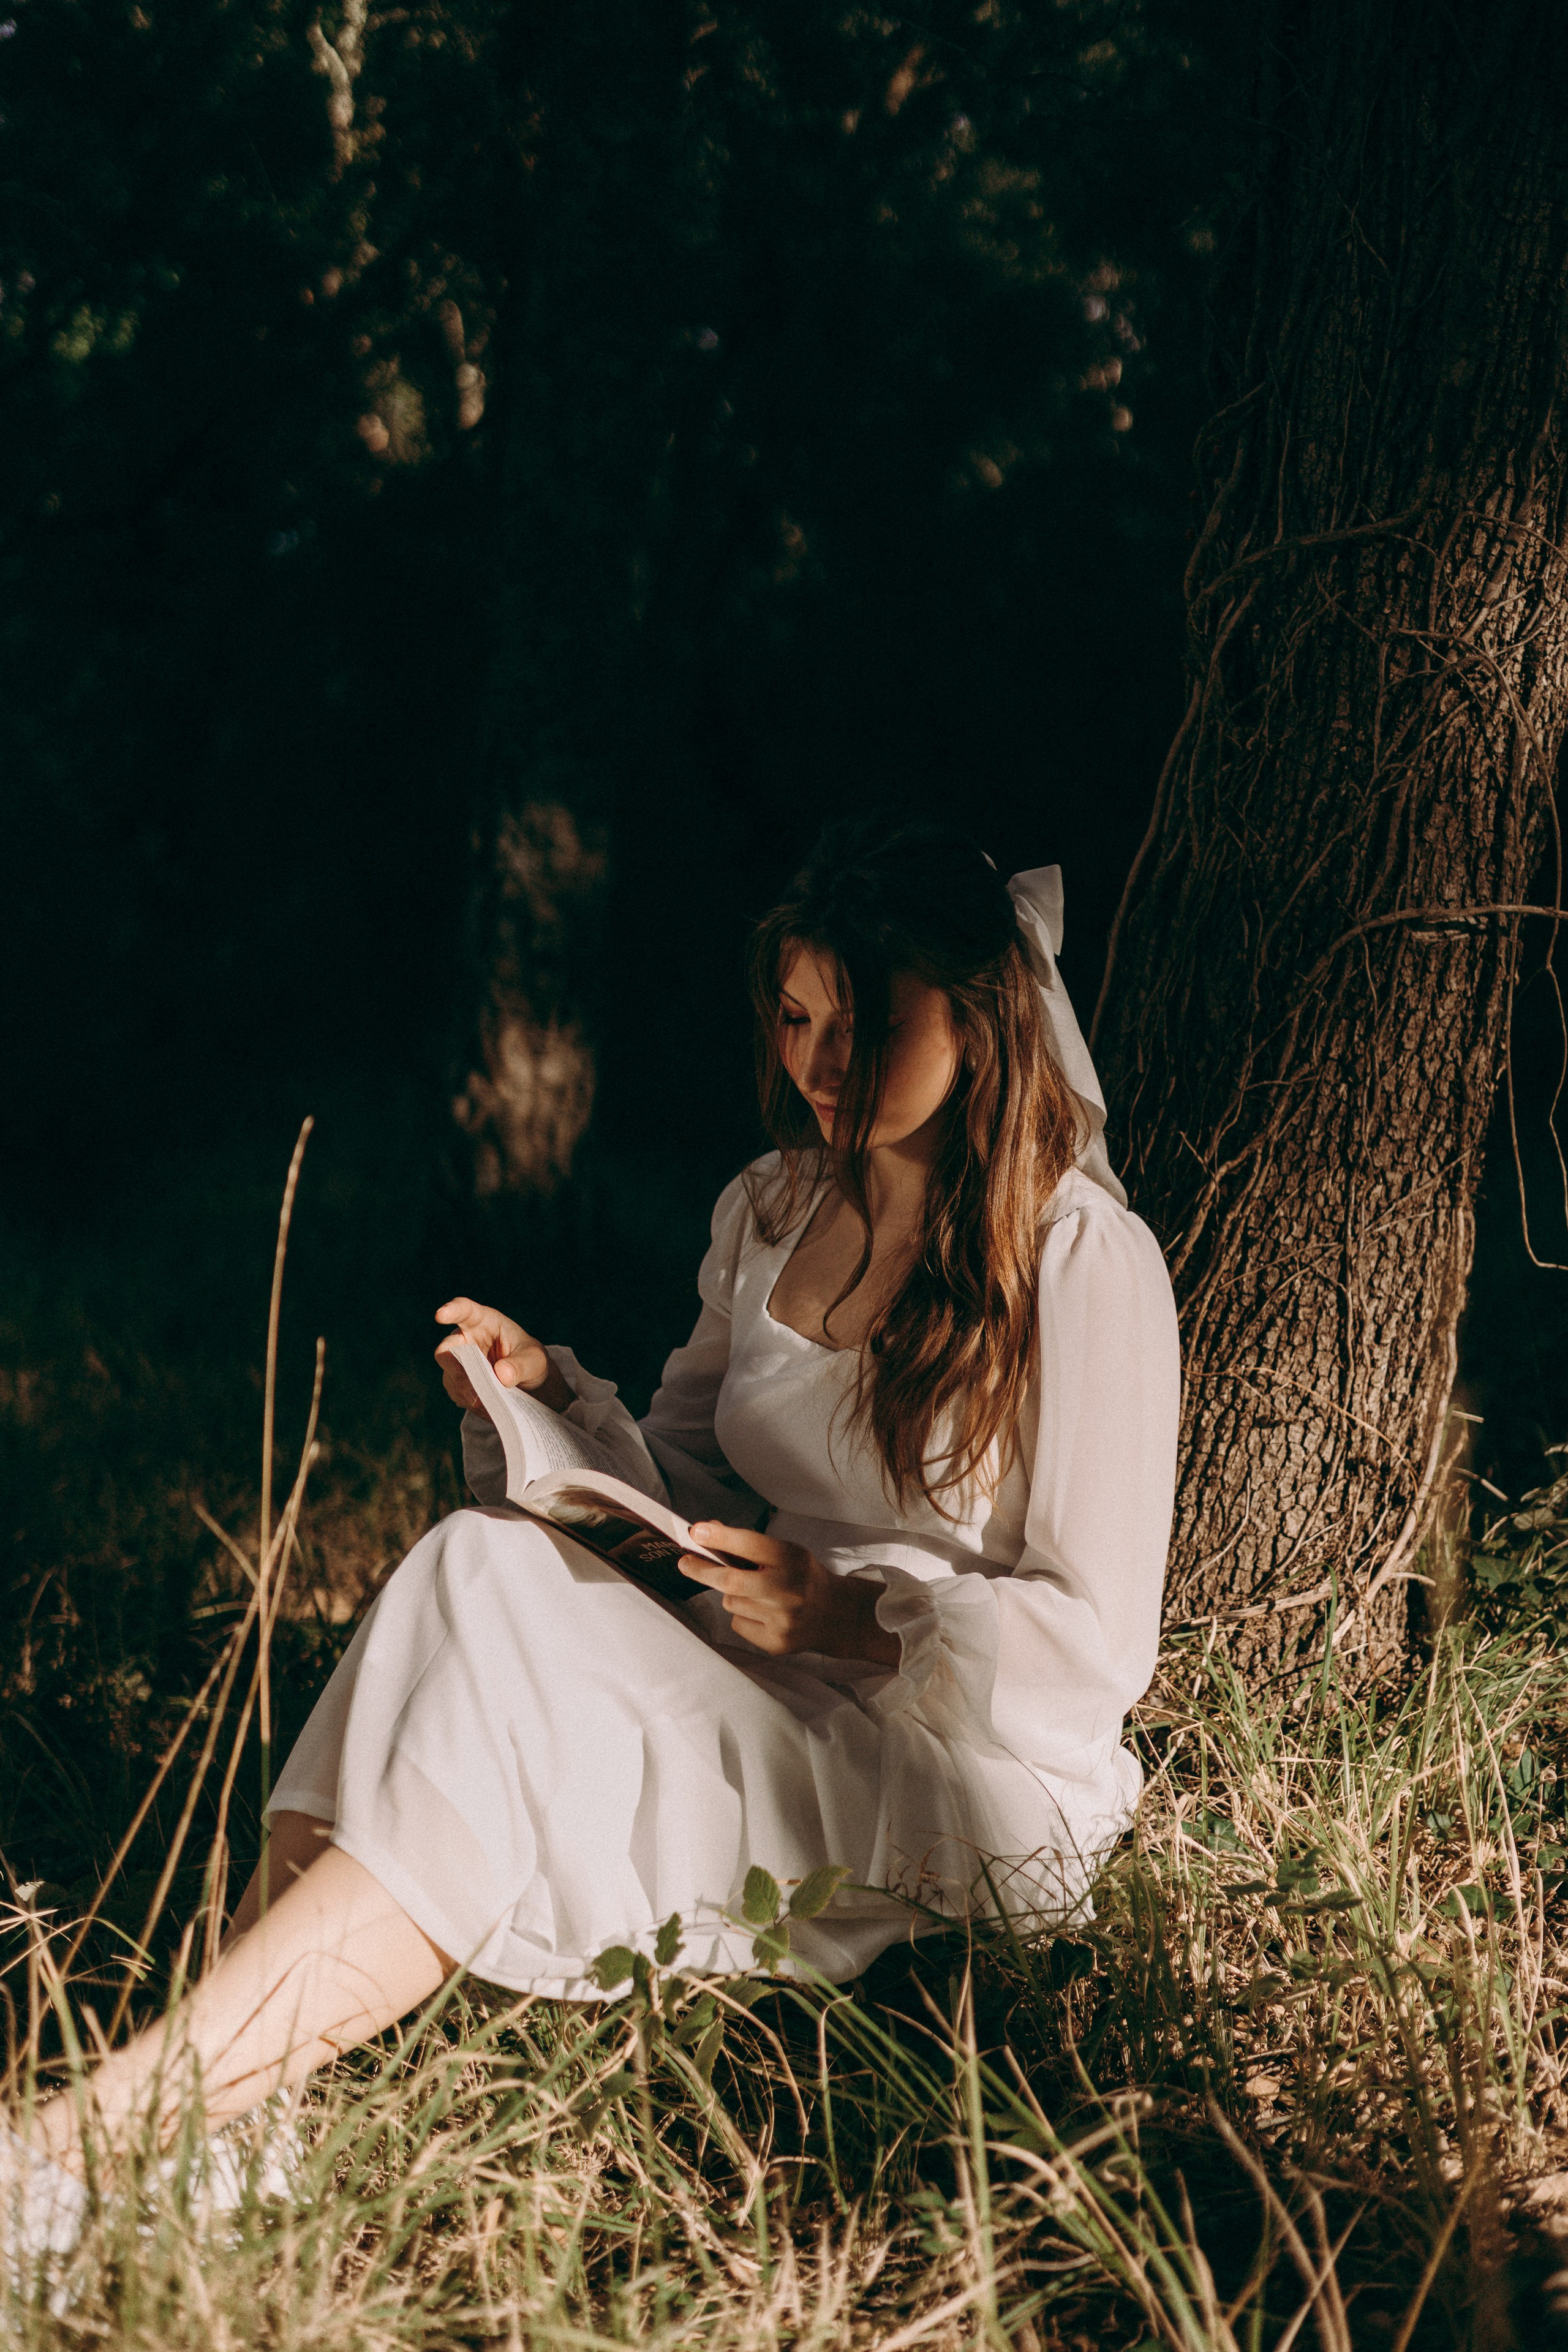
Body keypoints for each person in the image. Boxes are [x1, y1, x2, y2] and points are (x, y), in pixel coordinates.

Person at [5, 818, 1180, 2258]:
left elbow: (1101, 1640)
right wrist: (549, 1404)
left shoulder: (1077, 1257)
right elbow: (683, 1477)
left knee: (493, 1635)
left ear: (979, 1016)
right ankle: (227, 2114)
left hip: (946, 1749)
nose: (820, 1065)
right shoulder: (772, 1207)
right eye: (797, 1019)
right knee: (476, 1560)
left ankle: (96, 2139)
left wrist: (856, 1617)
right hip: (751, 1658)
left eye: (866, 1025)